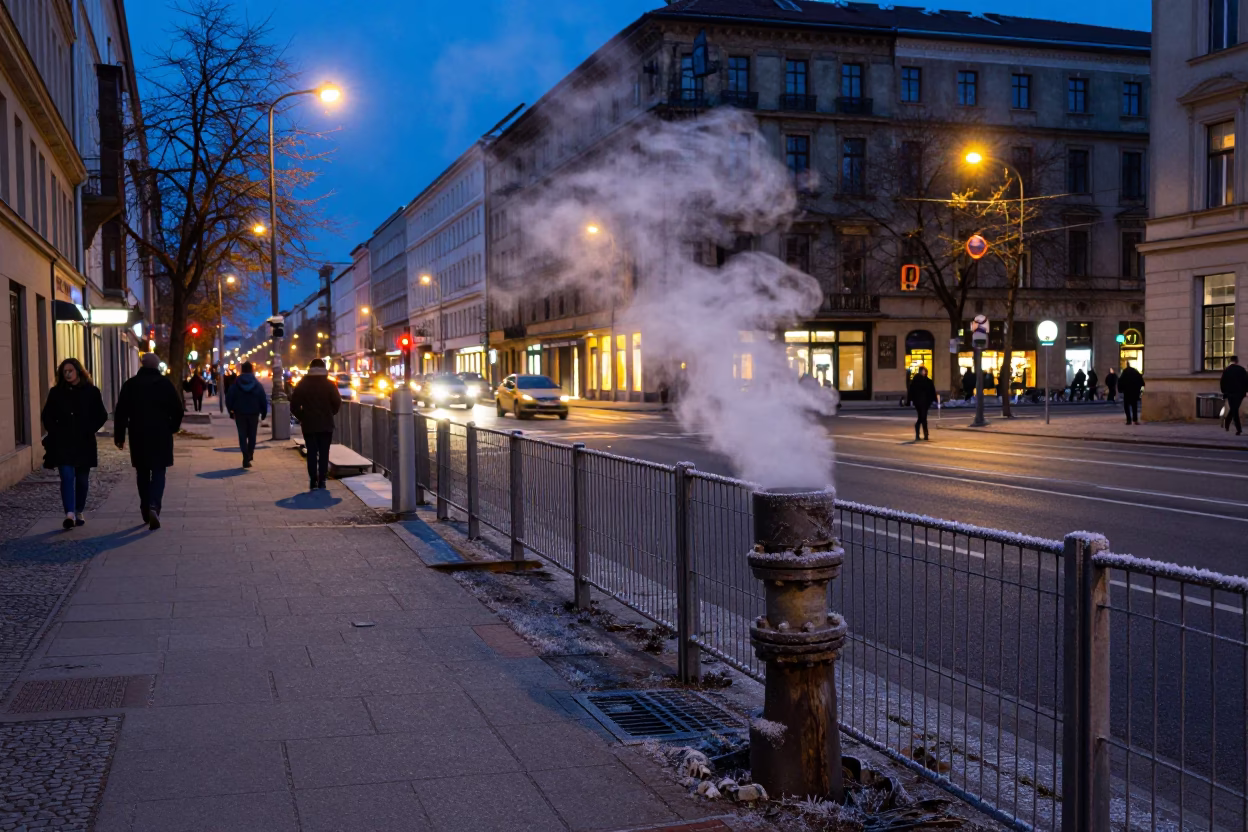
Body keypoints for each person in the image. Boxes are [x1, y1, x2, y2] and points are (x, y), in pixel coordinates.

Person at [114, 353, 184, 530]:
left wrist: (120, 436)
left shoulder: (130, 385)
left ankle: (145, 507)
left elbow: (121, 412)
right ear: (157, 366)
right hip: (161, 433)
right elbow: (177, 409)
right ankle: (154, 505)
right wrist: (173, 427)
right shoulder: (165, 384)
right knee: (159, 471)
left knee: (142, 472)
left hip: (138, 434)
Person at [41, 358, 109, 529]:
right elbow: (47, 416)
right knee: (66, 476)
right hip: (62, 441)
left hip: (83, 441)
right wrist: (55, 430)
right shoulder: (56, 392)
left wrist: (89, 428)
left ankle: (79, 509)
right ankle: (69, 514)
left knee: (82, 480)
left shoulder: (91, 391)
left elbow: (101, 415)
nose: (68, 374)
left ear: (78, 371)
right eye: (64, 371)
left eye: (70, 370)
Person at [290, 358, 341, 490]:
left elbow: (294, 405)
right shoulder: (330, 384)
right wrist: (331, 413)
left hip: (309, 425)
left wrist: (302, 417)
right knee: (324, 453)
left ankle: (313, 480)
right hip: (326, 425)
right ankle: (322, 480)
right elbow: (337, 402)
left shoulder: (302, 384)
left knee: (312, 452)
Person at [226, 361, 268, 467]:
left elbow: (229, 398)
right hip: (254, 413)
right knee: (252, 435)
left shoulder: (236, 384)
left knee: (242, 435)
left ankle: (245, 456)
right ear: (252, 370)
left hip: (240, 413)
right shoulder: (257, 384)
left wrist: (230, 410)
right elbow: (263, 399)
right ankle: (250, 453)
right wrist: (264, 412)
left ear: (242, 370)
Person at [1220, 355, 1248, 436]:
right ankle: (1237, 429)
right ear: (1237, 361)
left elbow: (1222, 382)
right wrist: (1246, 391)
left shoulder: (1227, 370)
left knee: (1234, 409)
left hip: (1230, 393)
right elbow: (1246, 381)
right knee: (1234, 409)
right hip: (1240, 394)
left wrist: (1224, 392)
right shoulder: (1241, 369)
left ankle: (1229, 424)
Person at [908, 366, 937, 442]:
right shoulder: (916, 380)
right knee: (922, 417)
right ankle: (923, 434)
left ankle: (925, 434)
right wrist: (909, 401)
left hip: (926, 402)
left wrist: (934, 400)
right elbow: (911, 391)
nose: (925, 373)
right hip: (918, 402)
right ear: (921, 371)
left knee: (923, 417)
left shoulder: (928, 381)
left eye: (926, 371)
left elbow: (932, 391)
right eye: (924, 371)